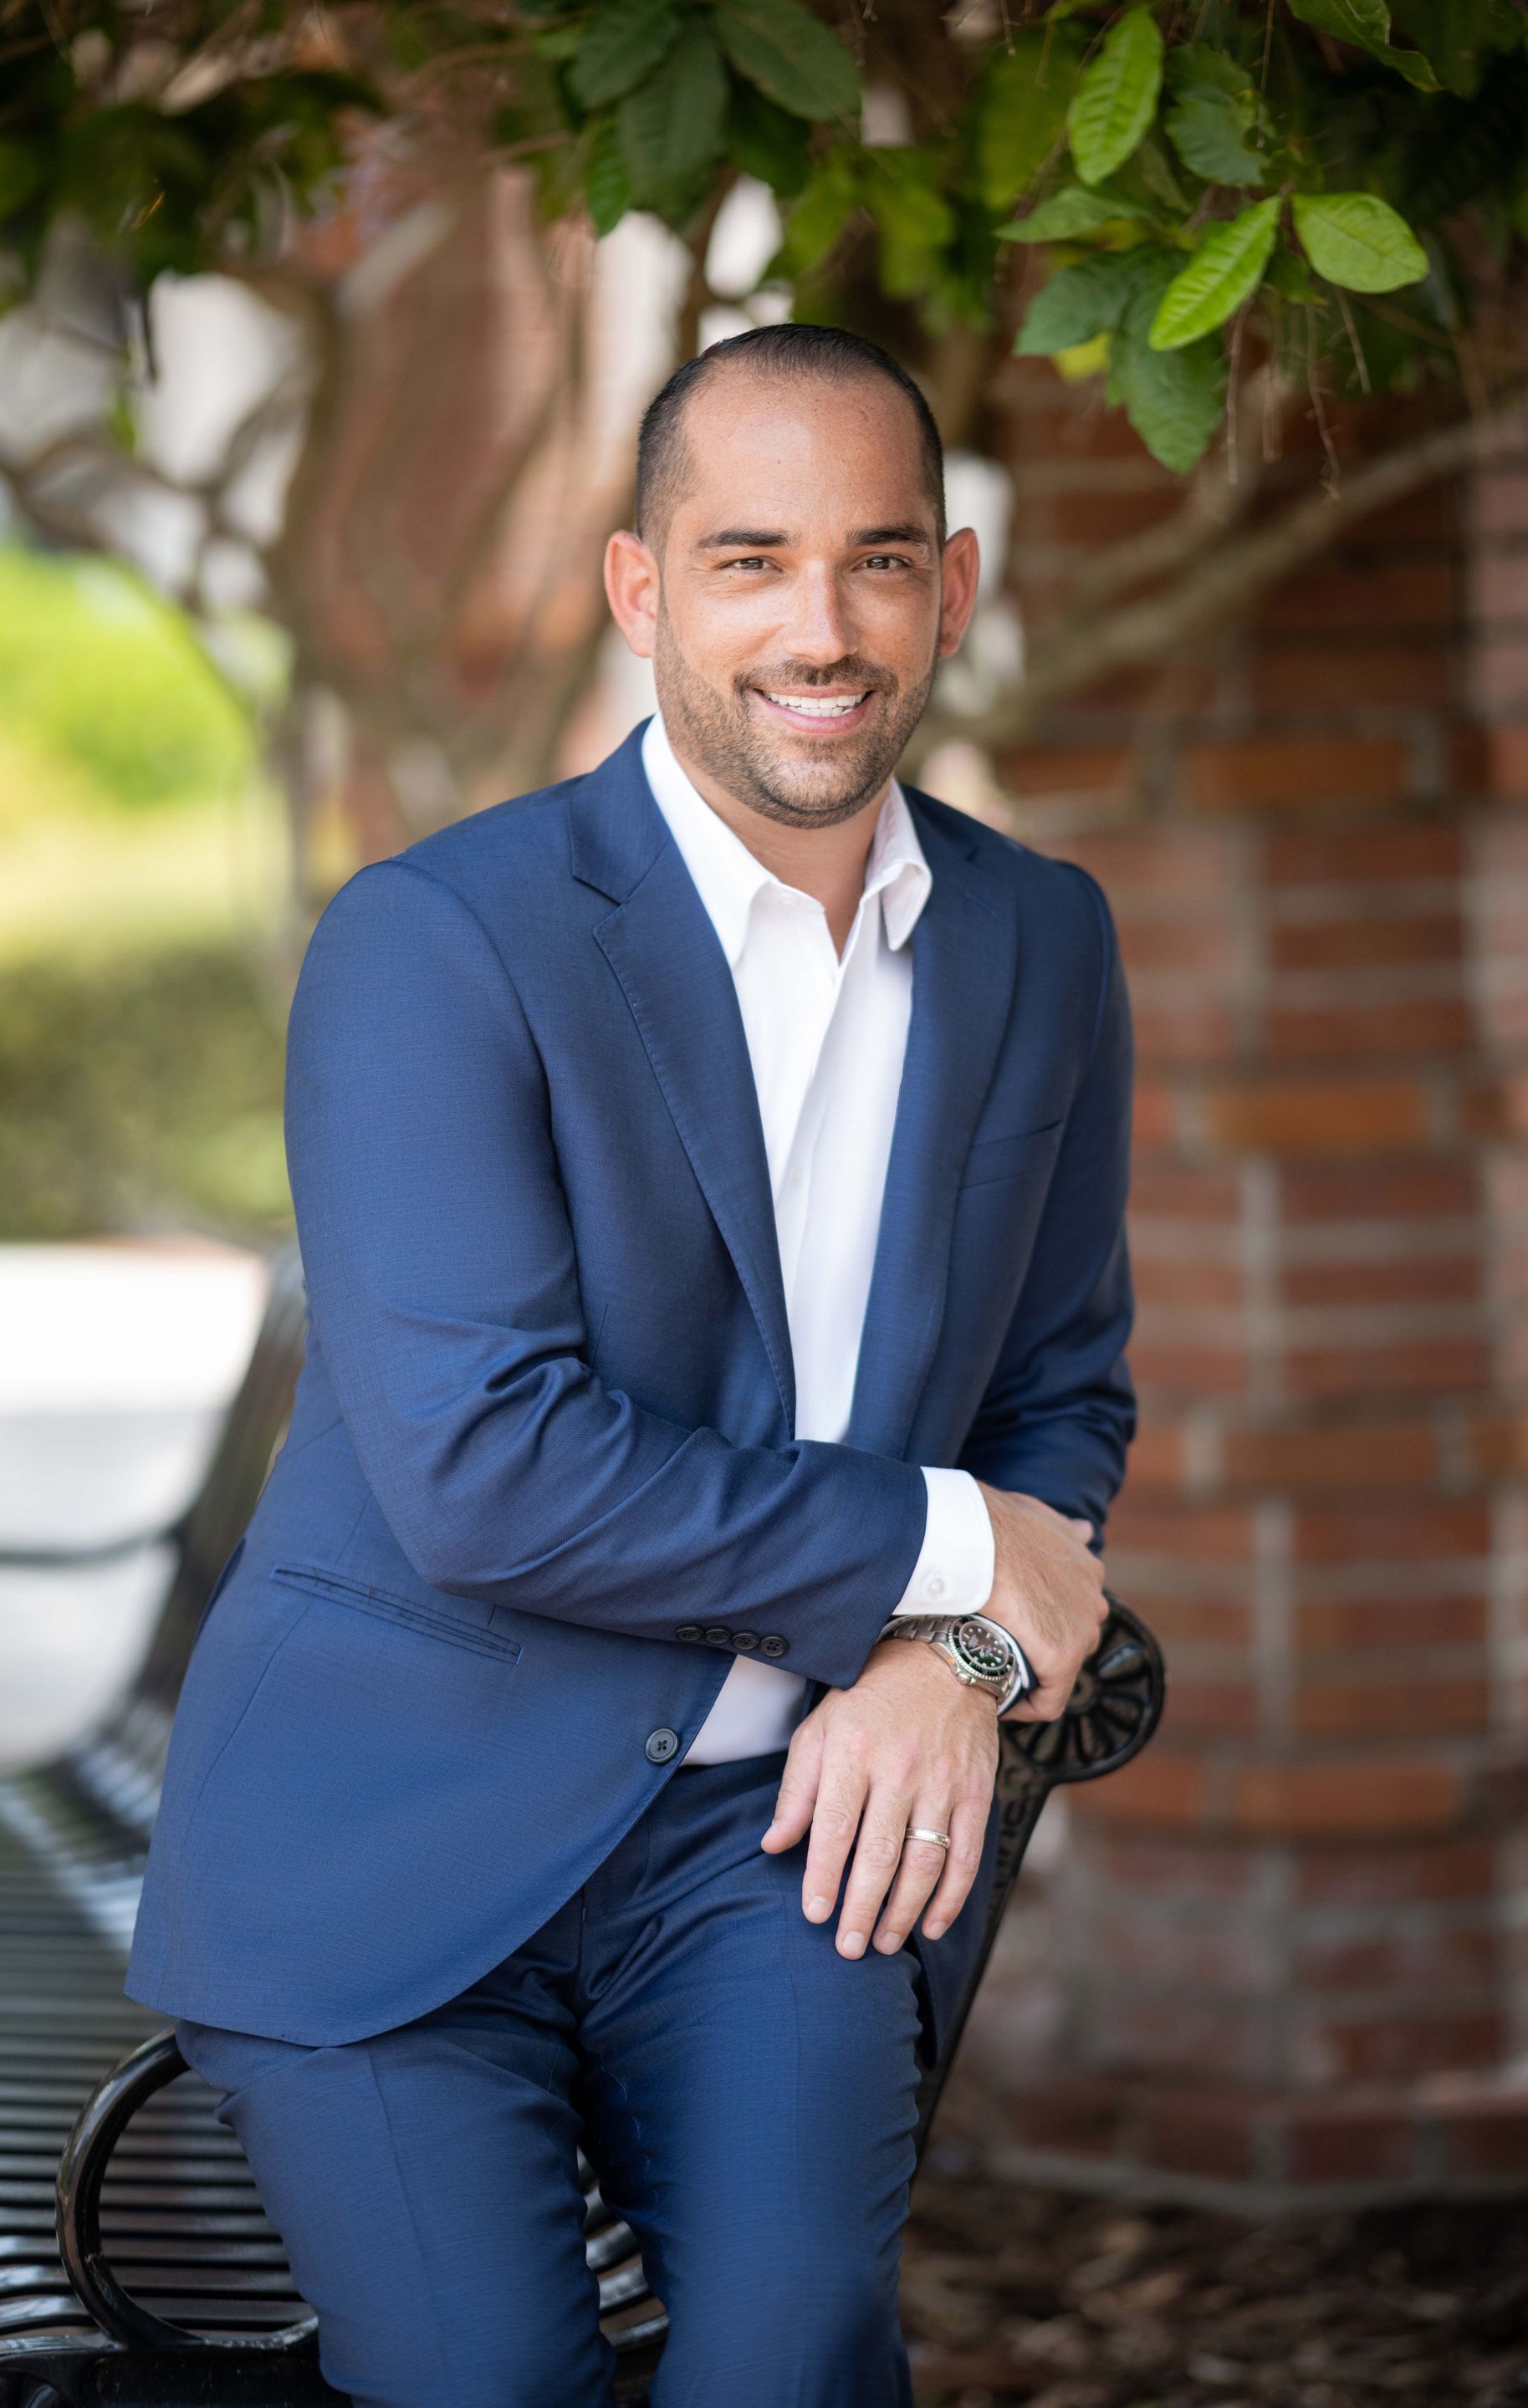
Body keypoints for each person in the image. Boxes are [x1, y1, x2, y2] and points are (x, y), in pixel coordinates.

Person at [126, 322, 1135, 2407]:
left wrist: (940, 1666)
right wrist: (951, 1559)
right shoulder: (438, 941)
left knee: (791, 2359)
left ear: (951, 589)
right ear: (641, 589)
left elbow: (1061, 1394)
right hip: (387, 1833)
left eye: (876, 561)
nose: (823, 626)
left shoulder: (1041, 939)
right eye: (749, 559)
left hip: (775, 1837)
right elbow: (486, 1469)